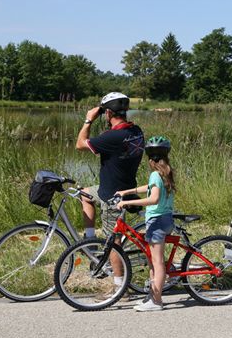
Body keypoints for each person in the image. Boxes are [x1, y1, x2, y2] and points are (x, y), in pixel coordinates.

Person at [75, 92, 144, 298]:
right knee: (85, 193)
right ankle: (90, 242)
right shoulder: (135, 131)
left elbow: (80, 144)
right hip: (125, 187)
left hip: (113, 197)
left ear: (107, 113)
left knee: (113, 242)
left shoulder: (112, 137)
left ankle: (119, 288)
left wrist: (88, 119)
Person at [116, 136, 175, 312]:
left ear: (150, 159)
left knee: (157, 263)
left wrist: (127, 203)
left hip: (156, 221)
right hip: (165, 219)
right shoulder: (166, 171)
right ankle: (152, 295)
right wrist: (128, 191)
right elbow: (150, 187)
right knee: (152, 261)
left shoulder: (155, 174)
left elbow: (154, 198)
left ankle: (157, 301)